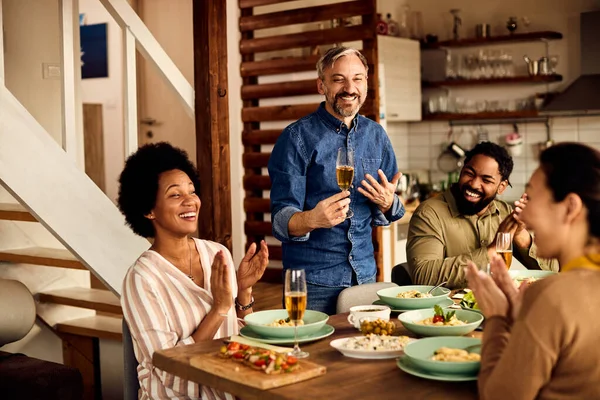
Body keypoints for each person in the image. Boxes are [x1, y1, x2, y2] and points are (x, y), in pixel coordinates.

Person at [118, 142, 268, 400]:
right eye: (175, 195)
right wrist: (219, 309)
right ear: (148, 209)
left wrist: (243, 292)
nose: (191, 201)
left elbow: (238, 340)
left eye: (192, 191)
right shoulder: (142, 279)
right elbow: (167, 369)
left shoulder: (216, 253)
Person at [268, 46, 405, 315]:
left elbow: (392, 209)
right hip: (313, 283)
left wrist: (389, 203)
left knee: (365, 353)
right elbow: (280, 220)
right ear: (322, 85)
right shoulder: (296, 138)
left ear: (366, 83)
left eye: (357, 78)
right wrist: (312, 219)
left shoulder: (377, 136)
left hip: (365, 278)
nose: (349, 88)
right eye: (338, 79)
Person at [466, 143, 600, 399]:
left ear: (571, 207)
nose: (524, 212)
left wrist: (497, 319)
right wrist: (523, 319)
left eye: (533, 197)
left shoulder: (553, 295)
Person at [407, 141, 557, 288]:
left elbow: (553, 272)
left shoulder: (504, 213)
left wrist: (519, 234)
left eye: (486, 180)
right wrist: (492, 251)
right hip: (449, 311)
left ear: (501, 187)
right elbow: (423, 276)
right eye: (469, 173)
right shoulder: (429, 214)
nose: (473, 184)